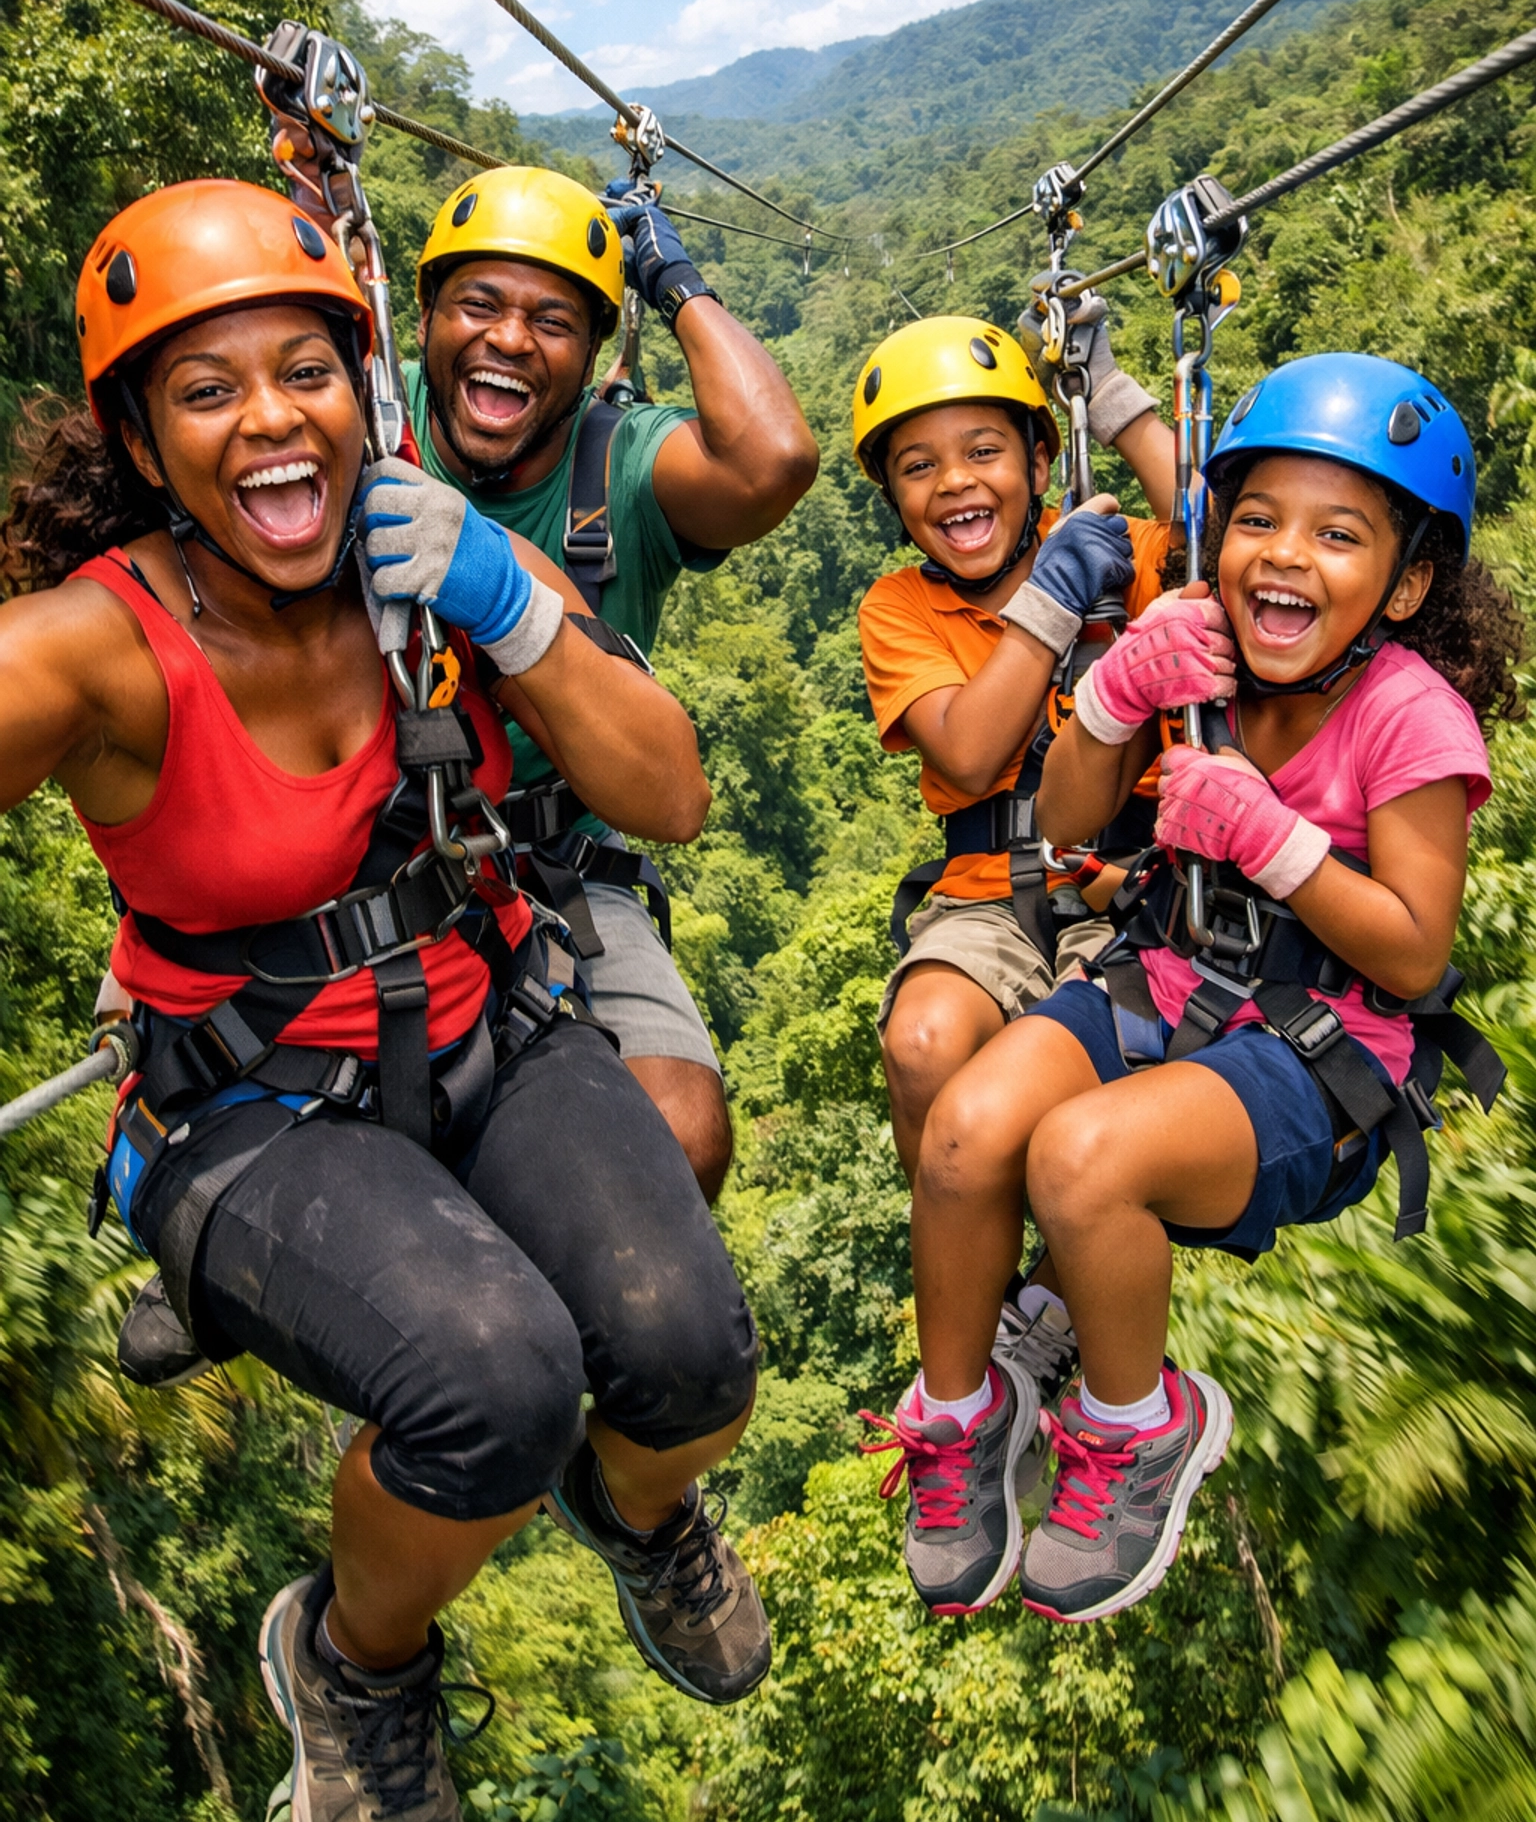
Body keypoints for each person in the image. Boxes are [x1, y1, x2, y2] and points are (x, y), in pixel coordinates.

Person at [3, 180, 769, 1822]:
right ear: (141, 442)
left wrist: (507, 598)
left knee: (692, 1357)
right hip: (251, 1100)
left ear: (362, 394)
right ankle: (354, 1660)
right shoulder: (96, 649)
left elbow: (671, 792)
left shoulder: (432, 569)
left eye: (307, 371)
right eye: (208, 390)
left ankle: (637, 1513)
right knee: (497, 1384)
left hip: (489, 1018)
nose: (274, 420)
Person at [863, 352, 1519, 1625]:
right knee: (960, 1132)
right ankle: (963, 1412)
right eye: (1257, 522)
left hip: (1318, 1052)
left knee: (1078, 1159)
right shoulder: (1205, 664)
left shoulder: (1411, 718)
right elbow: (1063, 827)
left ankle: (1136, 1426)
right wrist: (1114, 698)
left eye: (1339, 535)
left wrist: (1272, 838)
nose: (1284, 558)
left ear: (1412, 579)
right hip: (1165, 977)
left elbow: (1416, 953)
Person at [275, 134, 818, 1203]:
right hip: (366, 847)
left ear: (597, 357)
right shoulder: (371, 427)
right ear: (422, 321)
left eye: (554, 321)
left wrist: (674, 280)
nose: (510, 342)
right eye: (478, 305)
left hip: (555, 854)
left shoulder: (616, 463)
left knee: (681, 1138)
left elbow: (775, 461)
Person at [850, 311, 1175, 1581]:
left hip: (1130, 885)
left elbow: (1233, 540)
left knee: (1057, 1116)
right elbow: (973, 752)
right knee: (924, 1039)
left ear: (1040, 460)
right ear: (892, 501)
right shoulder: (900, 610)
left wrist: (1123, 404)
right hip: (989, 892)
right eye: (918, 467)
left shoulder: (1116, 550)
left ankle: (1051, 1316)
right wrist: (1050, 602)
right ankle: (968, 1394)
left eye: (985, 450)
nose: (955, 486)